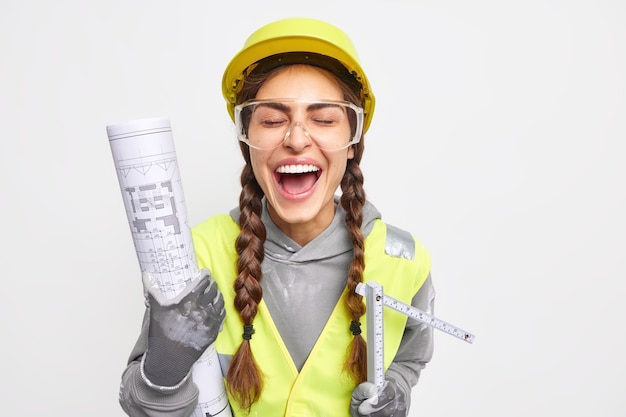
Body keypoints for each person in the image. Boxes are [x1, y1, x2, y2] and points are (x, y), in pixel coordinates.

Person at [119, 17, 435, 417]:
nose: (297, 138)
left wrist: (399, 390)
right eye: (271, 120)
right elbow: (140, 404)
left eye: (323, 119)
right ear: (246, 140)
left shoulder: (403, 260)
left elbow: (410, 356)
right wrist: (165, 366)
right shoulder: (194, 255)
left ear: (353, 142)